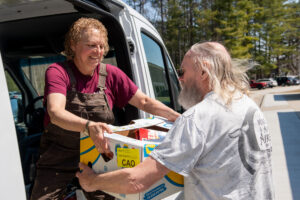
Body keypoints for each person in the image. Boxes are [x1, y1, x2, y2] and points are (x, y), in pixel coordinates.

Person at [76, 42, 275, 200]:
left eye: (183, 72)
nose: (180, 79)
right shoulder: (249, 106)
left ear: (204, 72)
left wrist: (91, 182)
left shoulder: (198, 117)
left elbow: (137, 181)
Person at [30, 17, 180, 200]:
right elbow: (55, 112)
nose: (98, 51)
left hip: (99, 155)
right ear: (73, 45)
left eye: (101, 46)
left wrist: (178, 117)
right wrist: (88, 126)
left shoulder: (111, 74)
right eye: (91, 45)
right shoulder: (57, 72)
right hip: (58, 155)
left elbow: (145, 102)